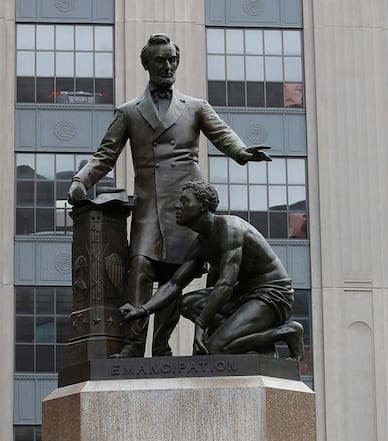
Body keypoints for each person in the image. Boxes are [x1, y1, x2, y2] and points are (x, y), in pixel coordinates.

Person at [68, 33, 271, 357]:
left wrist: (241, 151)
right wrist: (81, 180)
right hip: (150, 205)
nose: (168, 66)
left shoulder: (195, 107)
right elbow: (105, 155)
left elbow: (223, 134)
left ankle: (161, 348)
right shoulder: (129, 112)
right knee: (140, 267)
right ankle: (134, 346)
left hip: (187, 203)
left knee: (174, 275)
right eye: (160, 60)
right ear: (147, 64)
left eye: (172, 60)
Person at [119, 181, 303, 359]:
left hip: (272, 295)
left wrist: (201, 325)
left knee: (216, 348)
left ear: (203, 205)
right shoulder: (201, 242)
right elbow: (174, 284)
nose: (177, 206)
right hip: (243, 295)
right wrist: (142, 310)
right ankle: (241, 339)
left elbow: (225, 285)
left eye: (184, 201)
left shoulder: (230, 230)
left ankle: (286, 332)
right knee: (187, 303)